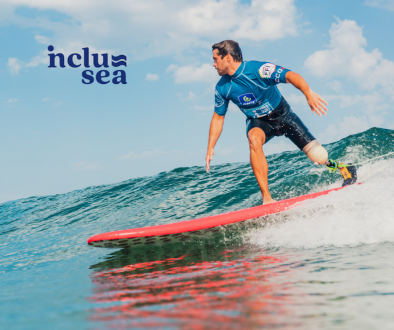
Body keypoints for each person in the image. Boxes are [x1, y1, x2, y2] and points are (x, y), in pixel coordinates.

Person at [205, 40, 355, 204]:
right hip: (259, 122)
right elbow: (218, 117)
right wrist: (211, 147)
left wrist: (308, 93)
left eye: (215, 59)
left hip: (283, 114)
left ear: (227, 58)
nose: (213, 64)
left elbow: (291, 76)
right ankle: (267, 197)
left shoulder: (258, 70)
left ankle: (343, 167)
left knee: (319, 157)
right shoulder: (222, 88)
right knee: (254, 139)